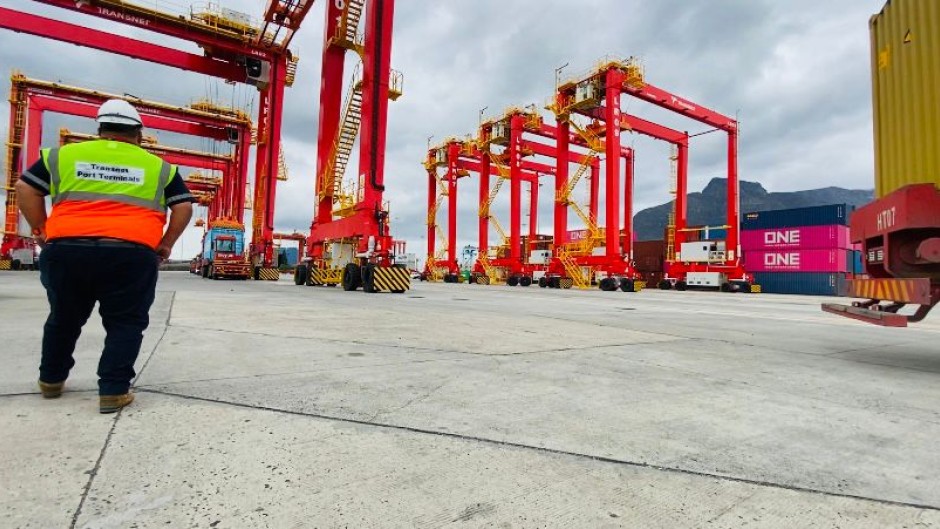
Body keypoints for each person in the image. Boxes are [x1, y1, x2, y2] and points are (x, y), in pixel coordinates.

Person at [14, 98, 195, 414]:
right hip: (130, 254)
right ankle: (113, 390)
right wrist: (166, 244)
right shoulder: (159, 167)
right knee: (126, 322)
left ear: (100, 130)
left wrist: (40, 227)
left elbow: (25, 188)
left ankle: (51, 381)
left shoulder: (62, 156)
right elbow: (183, 206)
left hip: (67, 250)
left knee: (64, 318)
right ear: (138, 134)